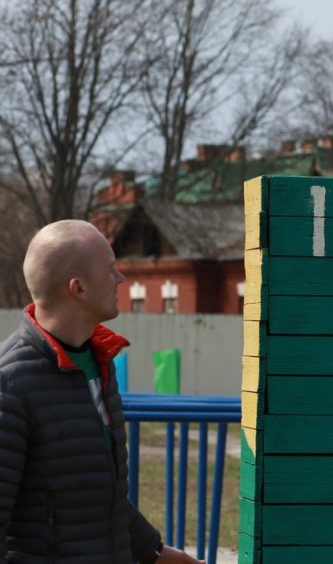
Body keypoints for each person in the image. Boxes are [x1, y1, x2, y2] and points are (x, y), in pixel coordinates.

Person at [0, 220, 204, 563]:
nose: (120, 278)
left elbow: (95, 493)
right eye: (110, 269)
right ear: (78, 288)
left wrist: (156, 552)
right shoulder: (11, 384)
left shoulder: (100, 362)